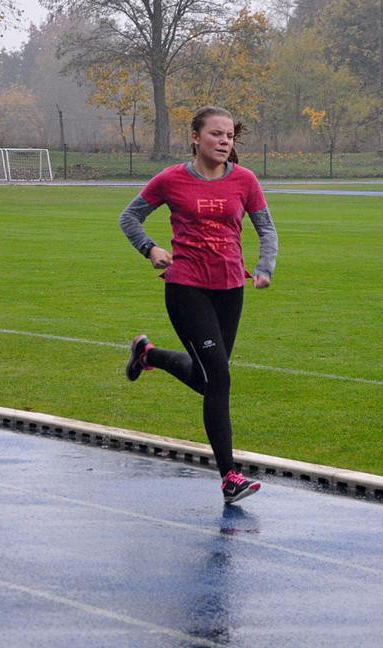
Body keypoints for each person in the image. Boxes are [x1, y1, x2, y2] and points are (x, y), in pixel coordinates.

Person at [118, 106, 279, 505]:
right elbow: (129, 217)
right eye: (216, 135)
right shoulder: (171, 179)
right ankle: (230, 477)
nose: (224, 142)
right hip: (186, 287)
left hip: (230, 288)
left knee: (209, 380)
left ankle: (147, 354)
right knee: (220, 379)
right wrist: (150, 248)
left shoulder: (245, 180)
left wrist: (264, 266)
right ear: (195, 137)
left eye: (229, 137)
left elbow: (266, 228)